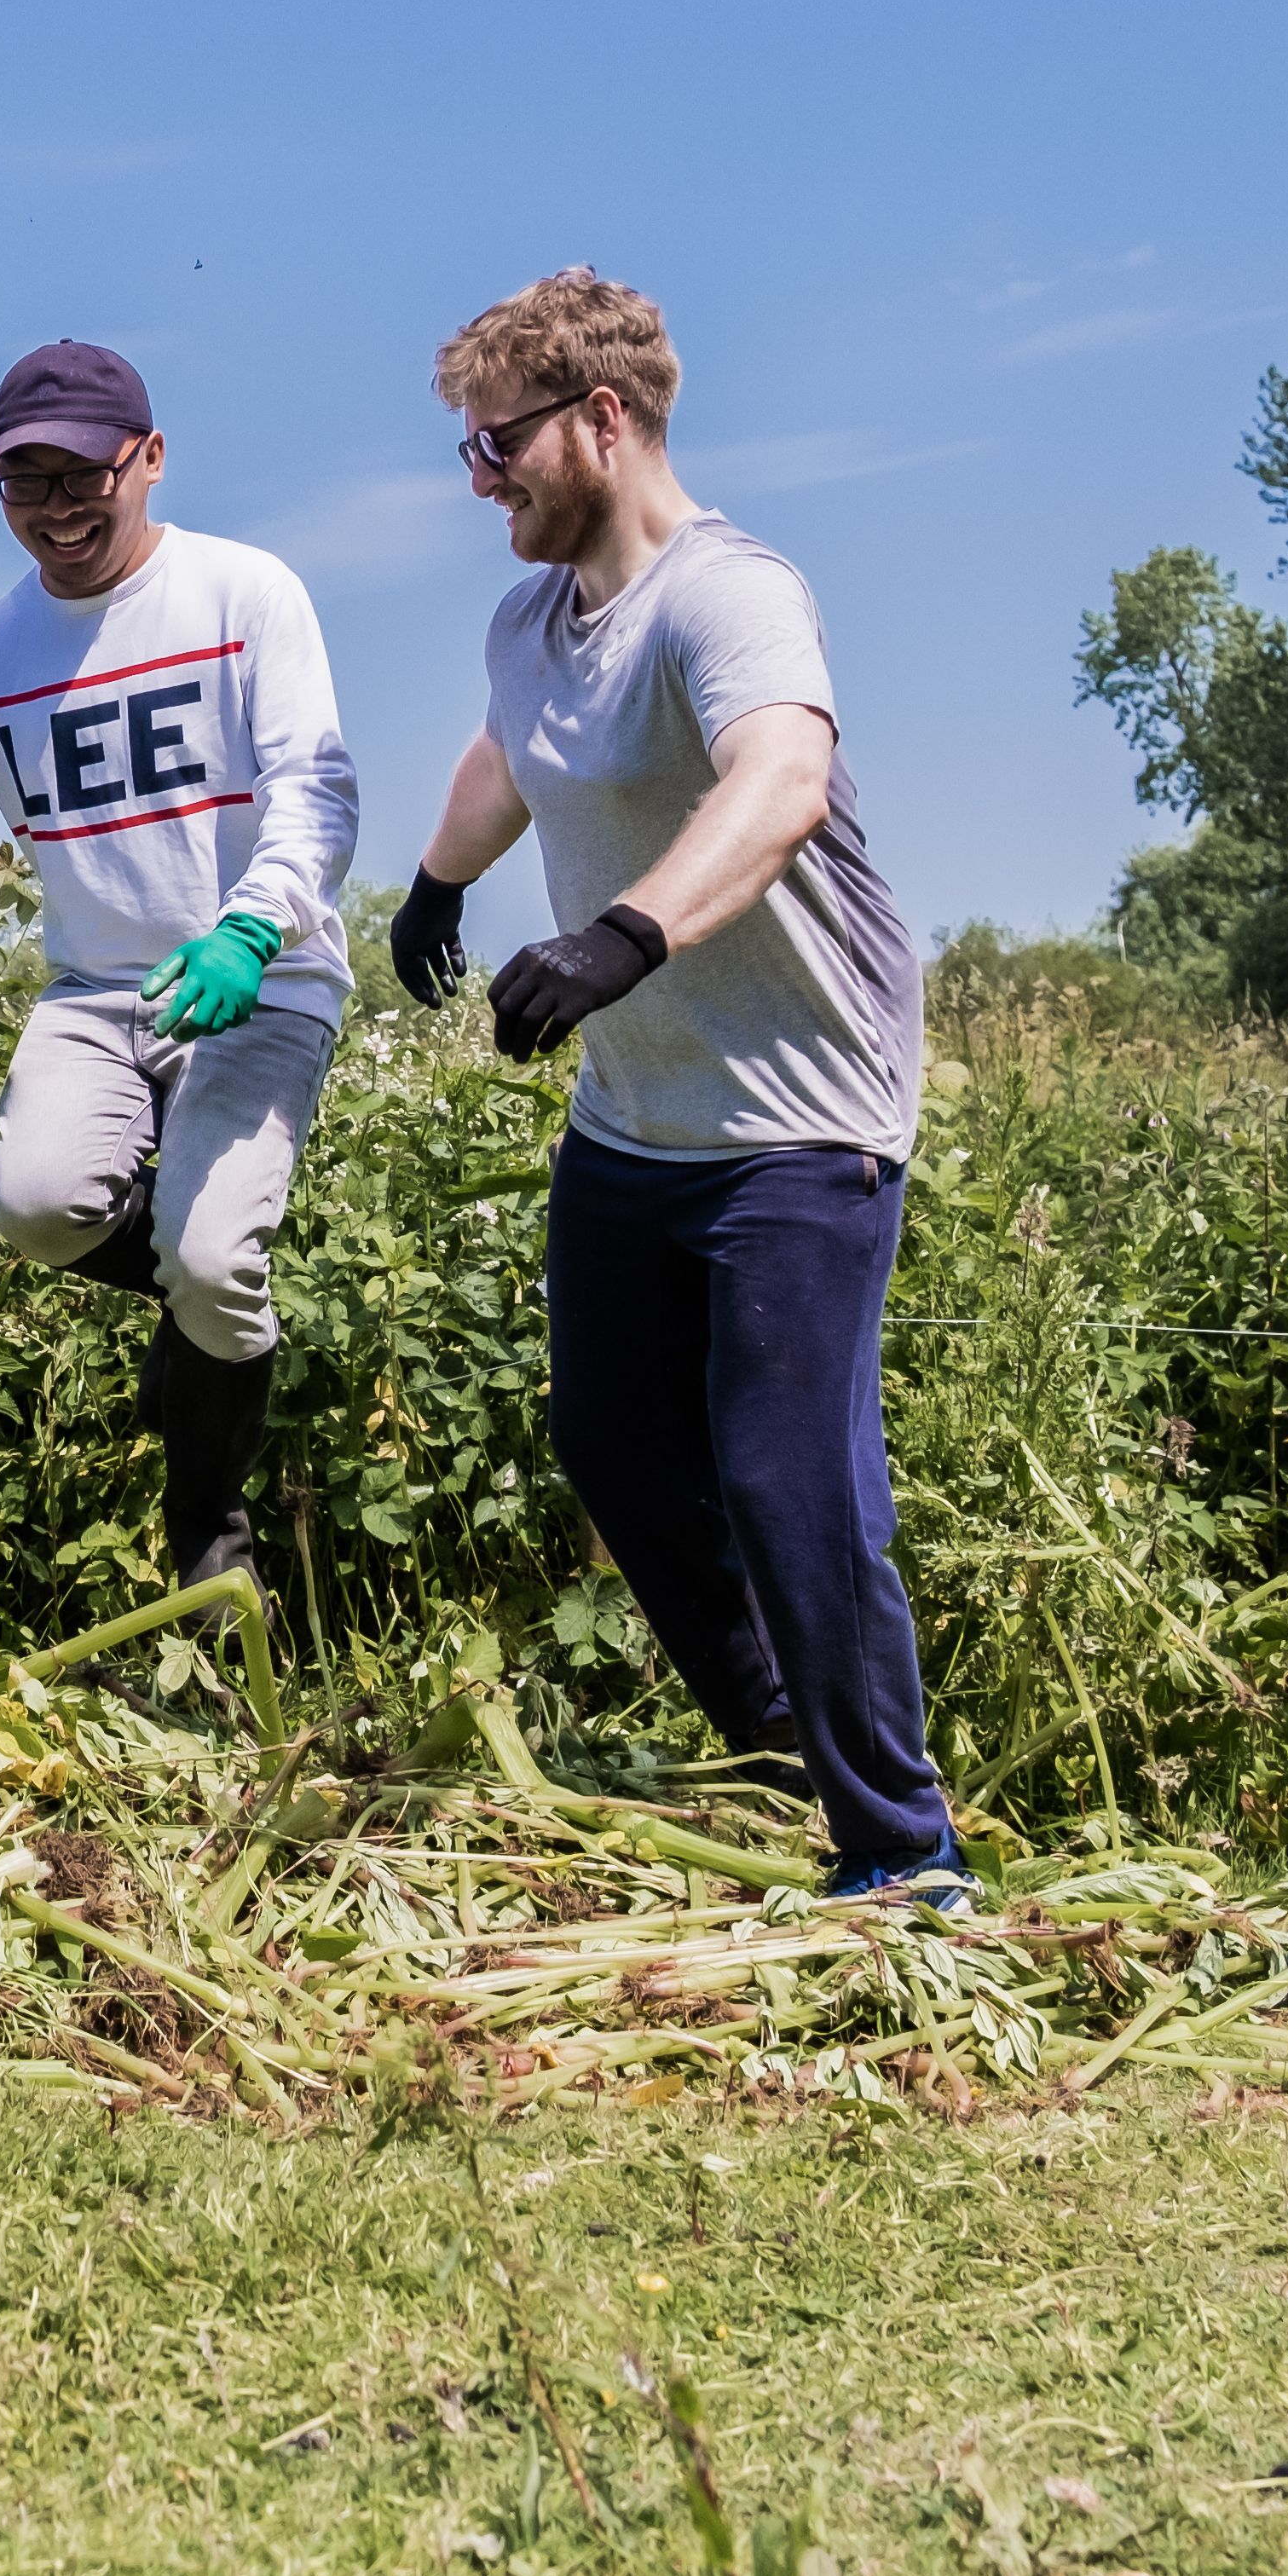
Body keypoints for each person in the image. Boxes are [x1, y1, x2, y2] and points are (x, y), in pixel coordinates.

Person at [387, 268, 962, 1903]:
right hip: (634, 1124)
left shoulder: (732, 596)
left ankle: (903, 1851)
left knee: (792, 1479)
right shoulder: (530, 623)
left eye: (496, 447)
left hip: (801, 1121)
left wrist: (624, 935)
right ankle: (785, 1744)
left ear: (602, 423)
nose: (479, 481)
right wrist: (438, 884)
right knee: (617, 1447)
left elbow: (778, 776)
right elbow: (516, 751)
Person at [0, 341, 360, 1592]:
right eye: (25, 482)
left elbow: (317, 790)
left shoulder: (245, 595)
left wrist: (254, 927)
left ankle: (210, 1540)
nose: (60, 507)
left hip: (263, 977)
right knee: (33, 1207)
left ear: (149, 459)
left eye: (86, 473)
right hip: (94, 993)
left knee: (207, 1262)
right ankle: (207, 1327)